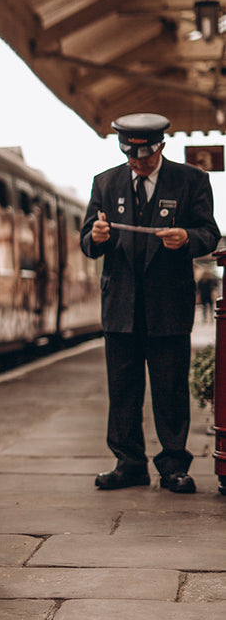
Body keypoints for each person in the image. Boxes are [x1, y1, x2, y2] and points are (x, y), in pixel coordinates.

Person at [80, 112, 220, 494]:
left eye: (143, 155)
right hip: (120, 308)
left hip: (168, 308)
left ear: (160, 146)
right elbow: (87, 243)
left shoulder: (192, 181)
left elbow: (210, 233)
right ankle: (129, 465)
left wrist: (188, 239)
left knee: (170, 389)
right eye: (130, 155)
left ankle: (174, 466)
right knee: (123, 390)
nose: (136, 162)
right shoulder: (105, 182)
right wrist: (97, 235)